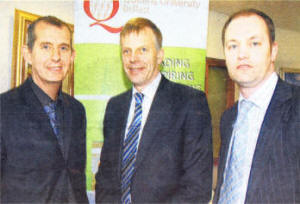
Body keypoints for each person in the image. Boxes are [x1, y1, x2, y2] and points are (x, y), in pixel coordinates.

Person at [95, 17, 212, 203]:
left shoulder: (189, 102)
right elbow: (105, 177)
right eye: (127, 51)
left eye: (143, 49)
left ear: (159, 55)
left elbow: (197, 187)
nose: (133, 58)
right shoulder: (115, 107)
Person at [214, 9, 300, 203]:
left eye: (254, 43)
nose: (242, 54)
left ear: (273, 51)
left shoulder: (296, 108)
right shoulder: (229, 118)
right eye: (233, 46)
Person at [0, 16, 88, 203]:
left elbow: (76, 177)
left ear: (72, 56)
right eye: (46, 47)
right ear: (27, 54)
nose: (56, 57)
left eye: (63, 48)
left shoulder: (77, 110)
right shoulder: (4, 109)